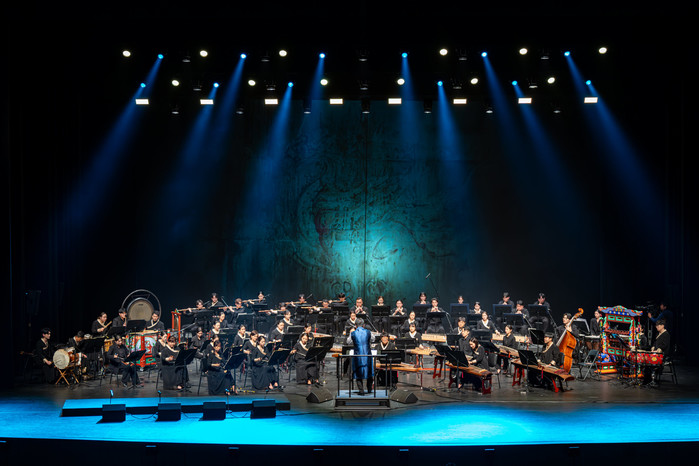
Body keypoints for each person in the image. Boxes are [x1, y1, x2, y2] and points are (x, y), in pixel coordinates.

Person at [347, 322, 375, 395]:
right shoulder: (368, 332)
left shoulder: (353, 333)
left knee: (358, 373)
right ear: (363, 325)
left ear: (355, 326)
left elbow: (348, 342)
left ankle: (361, 391)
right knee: (369, 372)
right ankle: (369, 390)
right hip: (367, 355)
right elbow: (373, 339)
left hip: (358, 355)